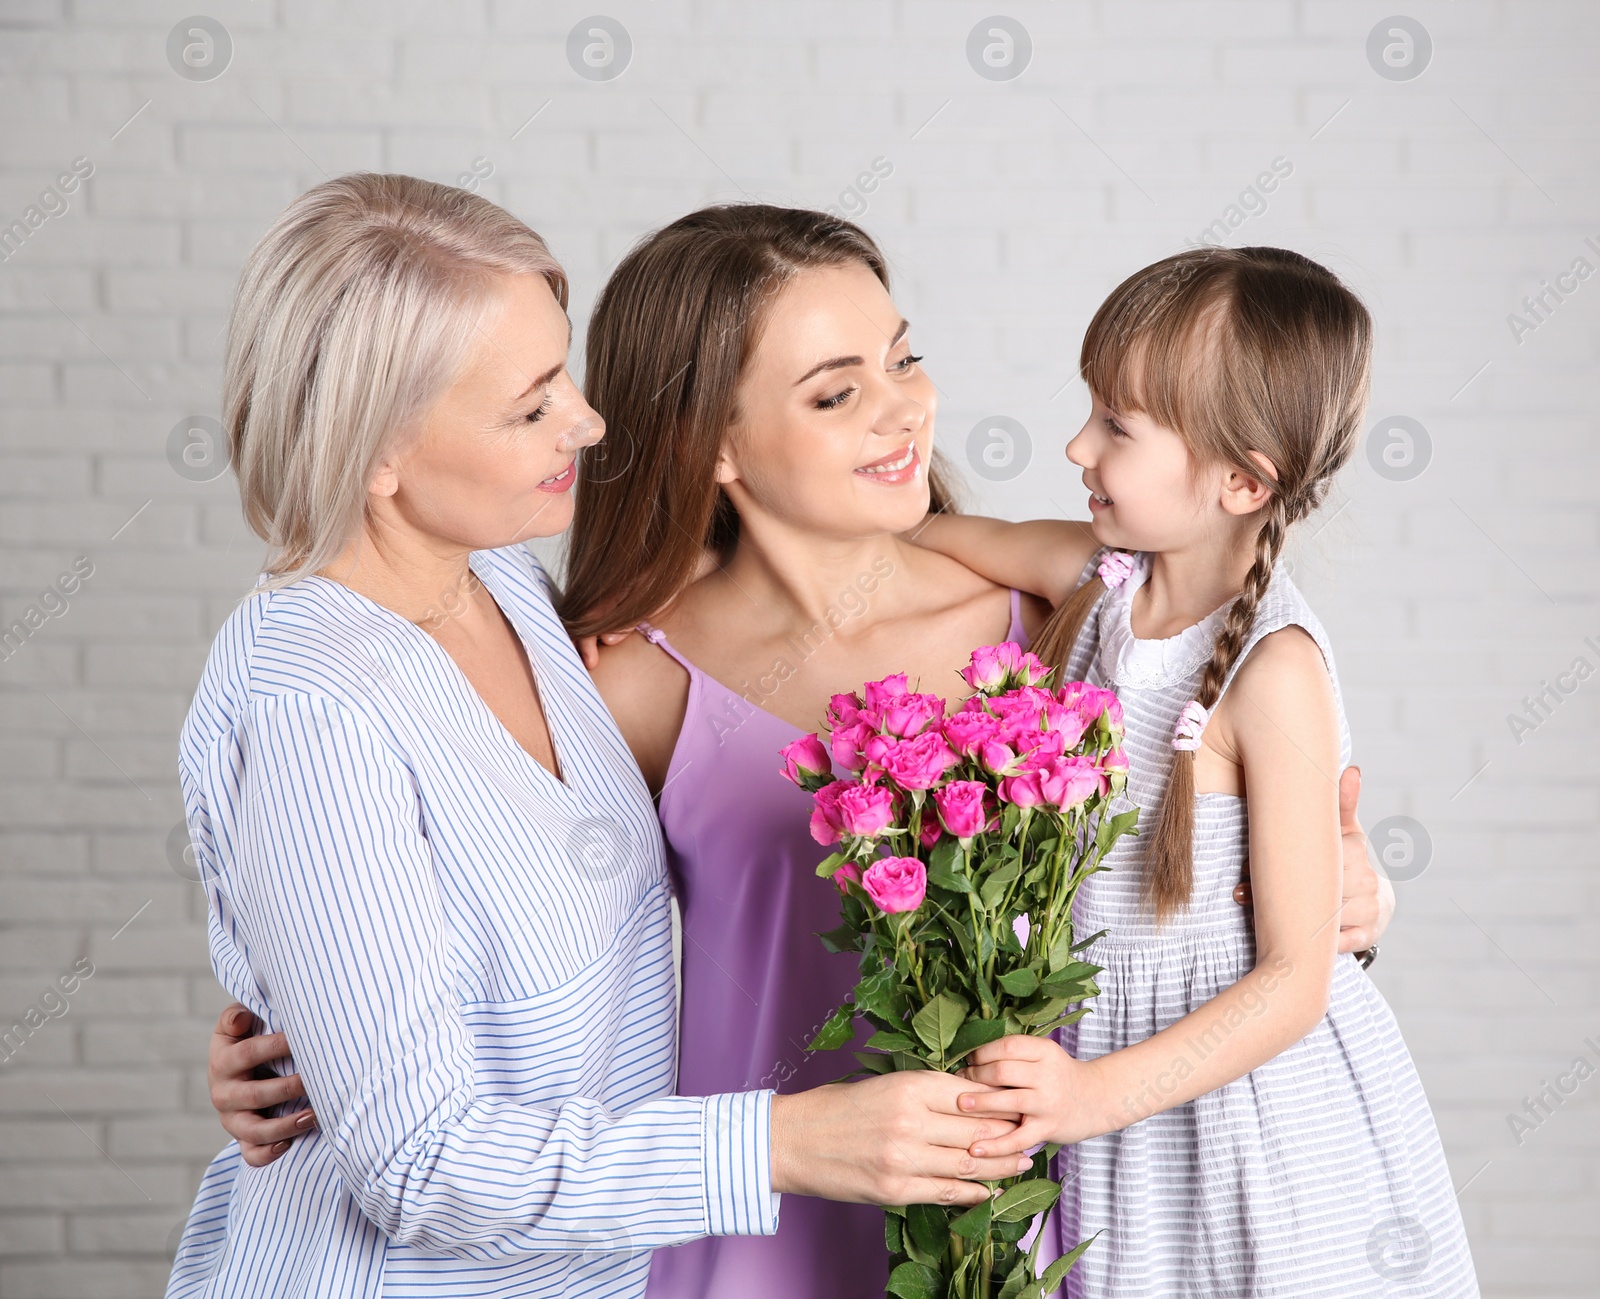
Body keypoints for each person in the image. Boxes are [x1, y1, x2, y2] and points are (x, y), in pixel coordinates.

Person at [202, 205, 1397, 1296]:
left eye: (903, 356)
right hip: (748, 1216)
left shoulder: (1059, 623)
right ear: (713, 444)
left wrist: (1349, 887)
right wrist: (288, 1040)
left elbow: (1217, 821)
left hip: (1016, 1204)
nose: (903, 408)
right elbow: (454, 907)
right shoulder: (618, 670)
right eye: (834, 394)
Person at [165, 176, 1033, 1299]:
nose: (590, 421)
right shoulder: (315, 710)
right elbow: (419, 1160)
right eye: (531, 407)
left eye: (562, 374)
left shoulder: (507, 586)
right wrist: (787, 1144)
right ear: (378, 454)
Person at [912, 247, 1478, 1296]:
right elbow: (937, 539)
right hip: (1109, 1071)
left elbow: (1293, 982)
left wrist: (1089, 1099)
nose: (1077, 444)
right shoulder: (1099, 580)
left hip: (1228, 1107)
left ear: (1240, 481)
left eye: (1118, 426)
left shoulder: (1273, 669)